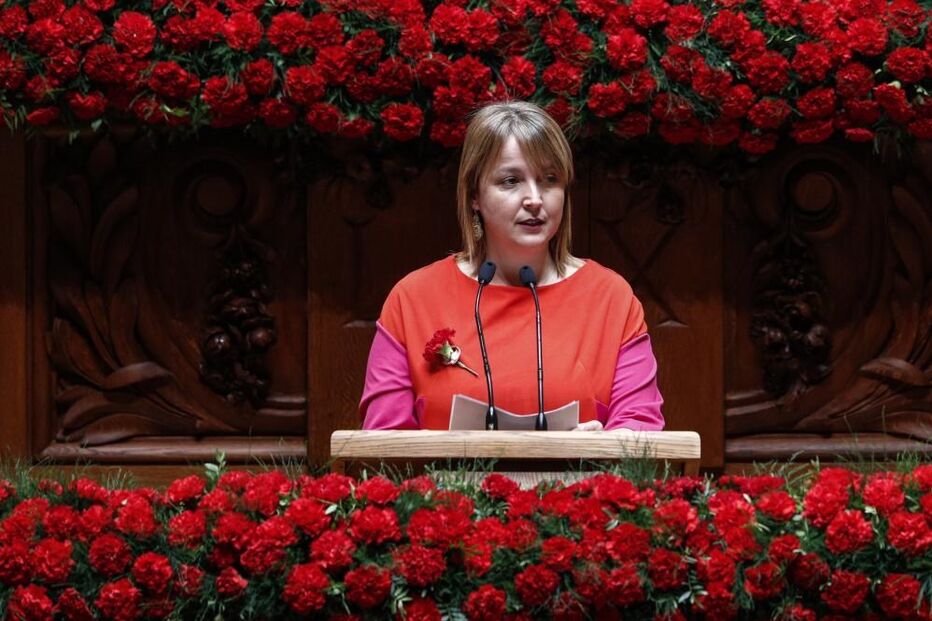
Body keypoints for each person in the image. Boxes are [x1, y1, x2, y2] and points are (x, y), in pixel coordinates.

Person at [359, 101, 664, 432]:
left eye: (549, 179)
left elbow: (641, 426)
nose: (534, 199)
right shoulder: (413, 298)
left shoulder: (610, 297)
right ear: (474, 195)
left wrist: (604, 445)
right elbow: (383, 442)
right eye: (510, 181)